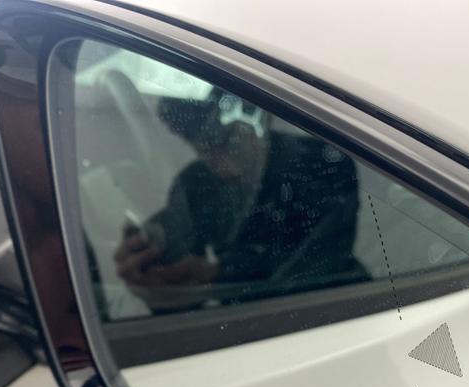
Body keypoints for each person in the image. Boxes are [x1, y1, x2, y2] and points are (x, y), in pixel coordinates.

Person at [113, 89, 367, 312]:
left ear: (255, 114)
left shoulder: (321, 162)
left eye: (226, 140)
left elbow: (310, 268)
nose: (220, 163)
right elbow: (181, 259)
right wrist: (154, 272)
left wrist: (216, 274)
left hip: (343, 307)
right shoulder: (193, 183)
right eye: (202, 148)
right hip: (245, 322)